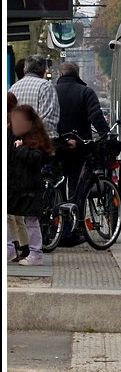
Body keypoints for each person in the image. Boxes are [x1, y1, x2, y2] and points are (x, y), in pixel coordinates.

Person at [7, 103, 55, 267]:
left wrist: (21, 149)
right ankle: (10, 249)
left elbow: (36, 158)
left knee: (31, 220)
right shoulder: (13, 134)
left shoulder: (33, 138)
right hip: (16, 185)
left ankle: (35, 253)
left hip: (28, 187)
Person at [55, 62, 110, 197]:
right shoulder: (86, 92)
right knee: (77, 184)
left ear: (60, 74)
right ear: (77, 74)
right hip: (79, 147)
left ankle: (58, 211)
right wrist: (105, 134)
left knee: (57, 183)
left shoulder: (51, 91)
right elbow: (96, 116)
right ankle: (75, 212)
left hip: (57, 145)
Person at [9, 54, 60, 139]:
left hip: (17, 142)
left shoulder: (13, 88)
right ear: (43, 71)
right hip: (39, 142)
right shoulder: (46, 87)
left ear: (25, 70)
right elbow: (48, 119)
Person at [6, 92, 30, 262]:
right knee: (13, 215)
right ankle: (20, 245)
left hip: (14, 173)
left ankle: (19, 247)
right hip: (13, 172)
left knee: (13, 215)